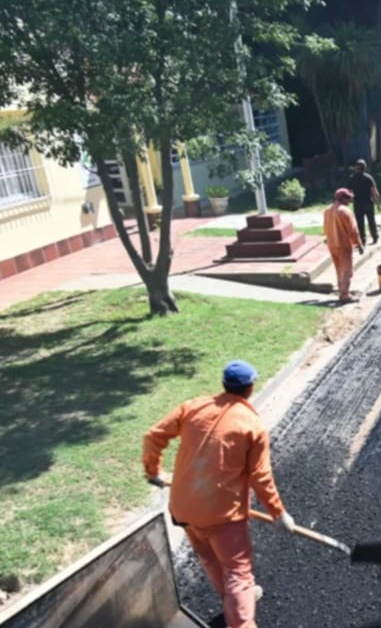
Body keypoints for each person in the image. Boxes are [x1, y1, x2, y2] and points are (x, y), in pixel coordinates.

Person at [143, 360, 295, 628]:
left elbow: (153, 435)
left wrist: (153, 471)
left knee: (209, 558)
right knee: (239, 573)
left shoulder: (194, 407)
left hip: (183, 508)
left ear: (224, 383)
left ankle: (231, 600)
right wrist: (278, 513)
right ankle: (241, 620)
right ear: (249, 388)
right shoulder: (251, 425)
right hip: (222, 516)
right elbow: (261, 477)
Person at [323, 187, 364, 303]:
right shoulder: (345, 211)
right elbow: (353, 230)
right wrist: (359, 244)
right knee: (347, 271)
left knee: (338, 269)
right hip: (343, 245)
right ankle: (344, 295)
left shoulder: (327, 210)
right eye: (348, 198)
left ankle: (342, 290)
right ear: (343, 198)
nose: (350, 201)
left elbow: (325, 227)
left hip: (332, 244)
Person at [347, 158, 381, 245]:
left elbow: (349, 192)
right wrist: (378, 204)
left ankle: (362, 239)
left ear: (356, 167)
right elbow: (374, 192)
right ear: (365, 167)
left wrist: (349, 201)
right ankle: (374, 237)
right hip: (368, 202)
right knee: (371, 220)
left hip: (357, 203)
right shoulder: (369, 178)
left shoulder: (352, 178)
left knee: (359, 222)